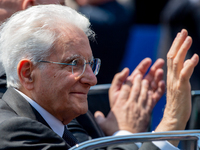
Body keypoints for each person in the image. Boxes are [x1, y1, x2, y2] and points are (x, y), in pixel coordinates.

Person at [0, 4, 198, 150]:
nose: (91, 79)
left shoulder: (59, 119)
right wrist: (172, 122)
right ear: (27, 74)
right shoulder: (14, 130)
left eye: (90, 65)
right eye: (73, 63)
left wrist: (114, 134)